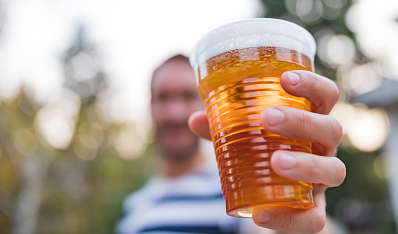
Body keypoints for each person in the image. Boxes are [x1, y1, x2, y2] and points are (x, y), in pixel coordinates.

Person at [117, 54, 345, 234]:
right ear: (150, 107)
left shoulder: (235, 185)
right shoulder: (135, 206)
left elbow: (265, 228)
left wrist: (293, 210)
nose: (175, 113)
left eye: (187, 96)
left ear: (207, 103)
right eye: (163, 98)